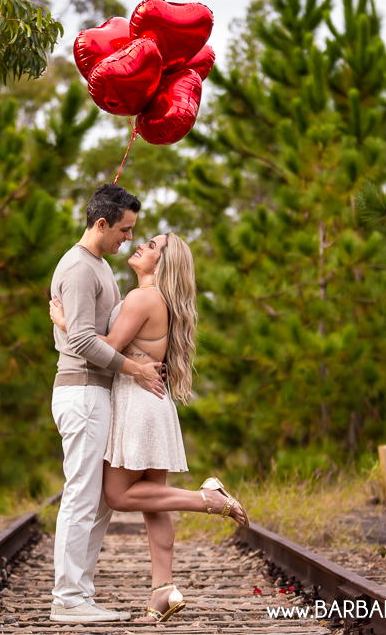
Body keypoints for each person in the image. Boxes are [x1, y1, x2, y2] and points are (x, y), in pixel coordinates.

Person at [51, 231, 250, 624]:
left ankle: (207, 500)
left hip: (137, 403)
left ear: (161, 264)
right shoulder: (156, 299)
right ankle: (163, 590)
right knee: (154, 502)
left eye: (152, 246)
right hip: (153, 402)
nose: (140, 244)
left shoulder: (143, 298)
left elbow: (103, 346)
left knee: (120, 496)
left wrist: (65, 322)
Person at [48, 183, 167, 624]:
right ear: (101, 224)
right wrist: (134, 370)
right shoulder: (79, 268)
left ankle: (80, 592)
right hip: (81, 392)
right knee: (81, 494)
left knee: (97, 500)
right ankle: (67, 597)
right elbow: (79, 339)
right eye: (125, 230)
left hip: (95, 393)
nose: (129, 239)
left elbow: (76, 331)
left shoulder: (98, 266)